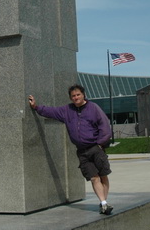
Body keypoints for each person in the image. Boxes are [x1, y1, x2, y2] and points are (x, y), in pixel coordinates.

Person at [28, 85, 114, 215]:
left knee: (103, 176)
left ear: (83, 95)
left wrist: (100, 144)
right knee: (93, 178)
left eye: (78, 95)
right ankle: (103, 203)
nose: (76, 98)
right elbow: (51, 111)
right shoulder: (67, 110)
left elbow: (105, 126)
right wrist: (36, 107)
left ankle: (104, 202)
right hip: (82, 151)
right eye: (73, 96)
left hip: (95, 148)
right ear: (70, 98)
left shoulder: (94, 108)